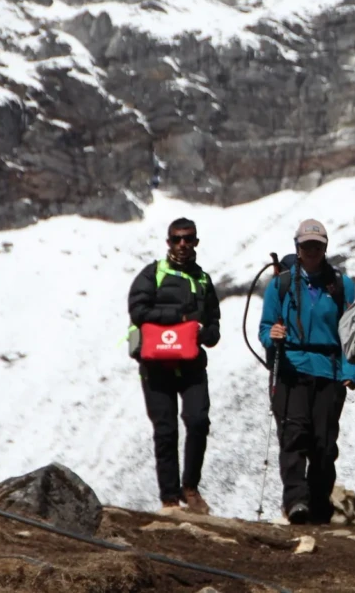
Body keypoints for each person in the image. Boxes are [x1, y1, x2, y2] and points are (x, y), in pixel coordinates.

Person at [258, 219, 355, 525]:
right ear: (297, 248)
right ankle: (296, 501)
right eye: (306, 246)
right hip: (290, 369)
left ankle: (318, 501)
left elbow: (353, 332)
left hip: (329, 371)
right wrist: (271, 336)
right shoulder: (280, 285)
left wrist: (351, 369)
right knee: (293, 436)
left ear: (325, 248)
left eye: (317, 245)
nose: (312, 250)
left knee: (324, 444)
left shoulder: (343, 285)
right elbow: (264, 329)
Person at [128, 218, 221, 514]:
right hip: (155, 366)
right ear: (168, 242)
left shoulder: (203, 279)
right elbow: (138, 310)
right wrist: (179, 317)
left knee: (198, 421)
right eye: (177, 239)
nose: (182, 244)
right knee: (165, 430)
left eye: (188, 238)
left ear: (196, 242)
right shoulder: (152, 274)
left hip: (192, 365)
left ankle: (190, 487)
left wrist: (209, 333)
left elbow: (214, 321)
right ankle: (169, 499)